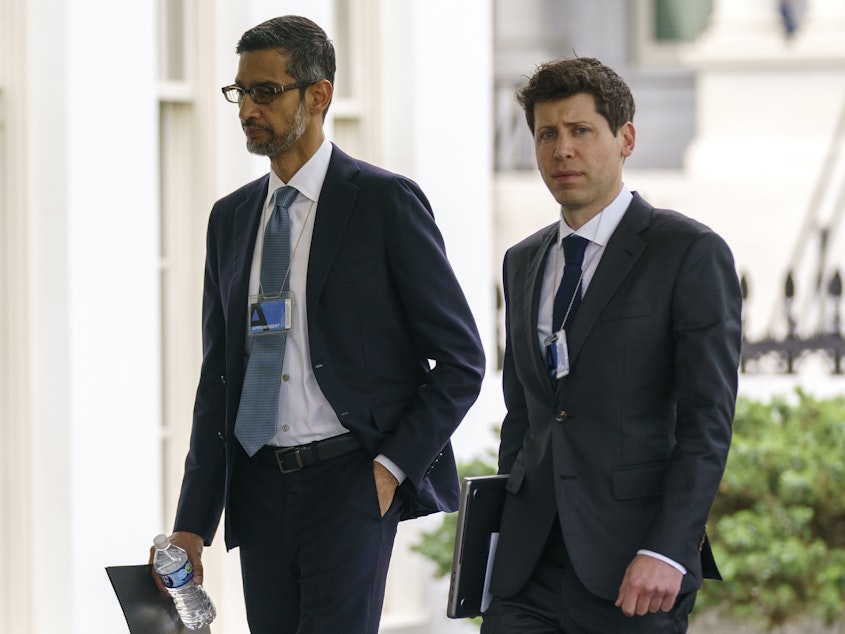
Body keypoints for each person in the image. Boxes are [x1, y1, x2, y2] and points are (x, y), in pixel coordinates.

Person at [151, 15, 485, 634]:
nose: (249, 108)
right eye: (241, 92)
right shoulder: (229, 219)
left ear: (318, 94)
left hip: (350, 483)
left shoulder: (385, 203)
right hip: (257, 488)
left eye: (266, 91)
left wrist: (391, 466)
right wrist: (193, 523)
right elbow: (218, 380)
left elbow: (462, 360)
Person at [481, 57, 741, 633]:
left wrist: (670, 550)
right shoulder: (522, 261)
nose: (561, 150)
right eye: (547, 134)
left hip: (636, 569)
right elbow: (523, 416)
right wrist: (498, 540)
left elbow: (708, 422)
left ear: (625, 139)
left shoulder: (687, 252)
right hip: (526, 575)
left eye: (581, 131)